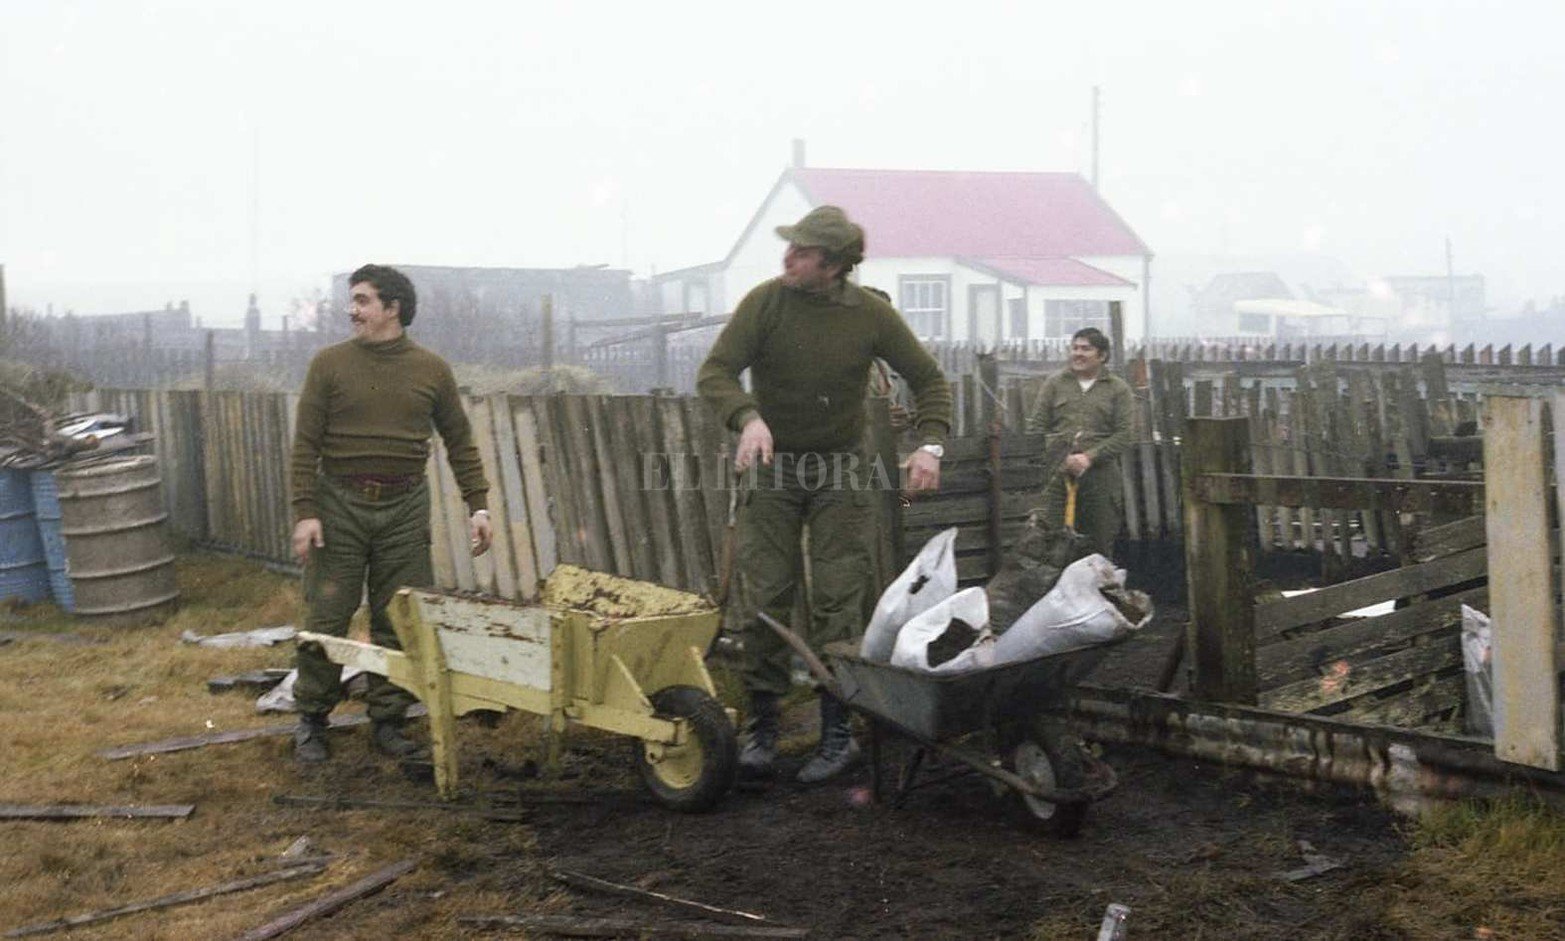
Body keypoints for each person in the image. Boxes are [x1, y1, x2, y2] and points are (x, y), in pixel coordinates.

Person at [698, 206, 953, 785]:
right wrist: (747, 418)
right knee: (767, 592)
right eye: (789, 247)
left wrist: (930, 445)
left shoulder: (870, 315)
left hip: (842, 472)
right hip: (774, 469)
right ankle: (762, 728)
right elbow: (715, 372)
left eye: (802, 251)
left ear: (834, 265)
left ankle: (837, 733)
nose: (787, 257)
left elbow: (929, 379)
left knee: (840, 597)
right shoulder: (765, 304)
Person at [288, 263, 493, 763]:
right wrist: (306, 511)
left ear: (392, 308)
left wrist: (479, 505)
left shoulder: (431, 369)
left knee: (397, 616)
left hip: (404, 508)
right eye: (352, 300)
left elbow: (460, 441)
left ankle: (388, 720)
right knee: (327, 614)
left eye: (362, 300)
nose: (352, 310)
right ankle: (312, 719)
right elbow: (305, 444)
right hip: (339, 505)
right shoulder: (329, 364)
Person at [1023, 326, 1133, 559]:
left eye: (1086, 349)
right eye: (1075, 348)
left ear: (1102, 355)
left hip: (1100, 477)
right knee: (1049, 541)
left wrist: (1088, 457)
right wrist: (1061, 458)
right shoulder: (1054, 384)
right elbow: (1036, 430)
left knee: (1098, 544)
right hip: (1056, 477)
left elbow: (1125, 435)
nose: (1078, 354)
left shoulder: (1118, 389)